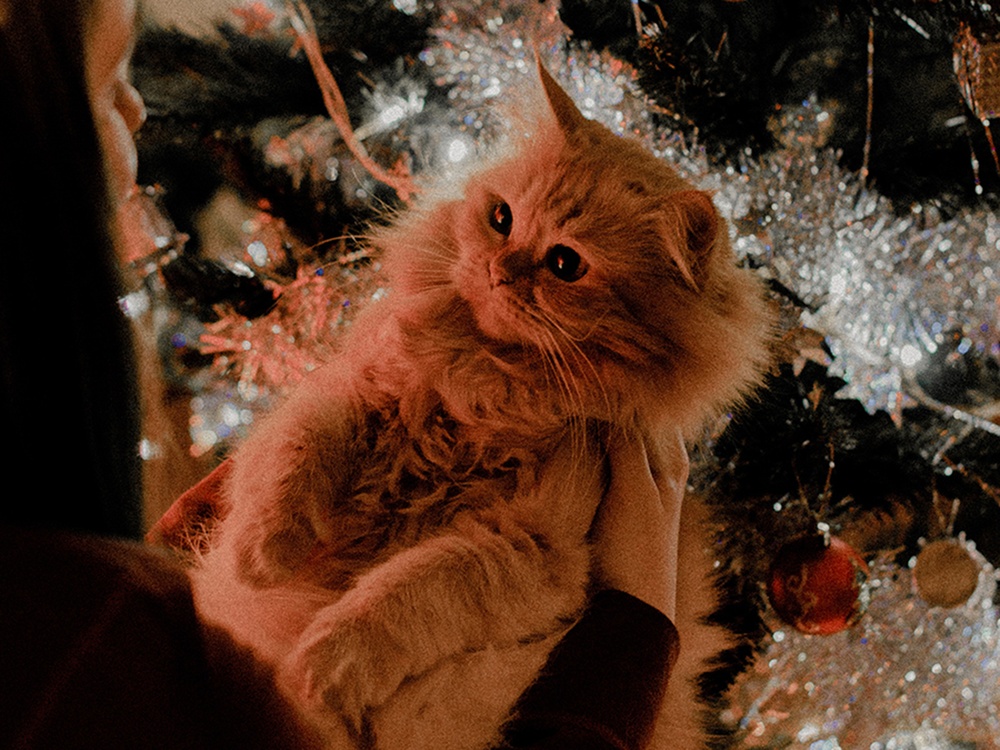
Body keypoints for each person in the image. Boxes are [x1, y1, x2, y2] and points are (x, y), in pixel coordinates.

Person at [0, 1, 683, 747]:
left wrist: (198, 531)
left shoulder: (66, 602)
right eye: (107, 83)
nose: (500, 268)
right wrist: (637, 622)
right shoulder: (78, 630)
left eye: (561, 263)